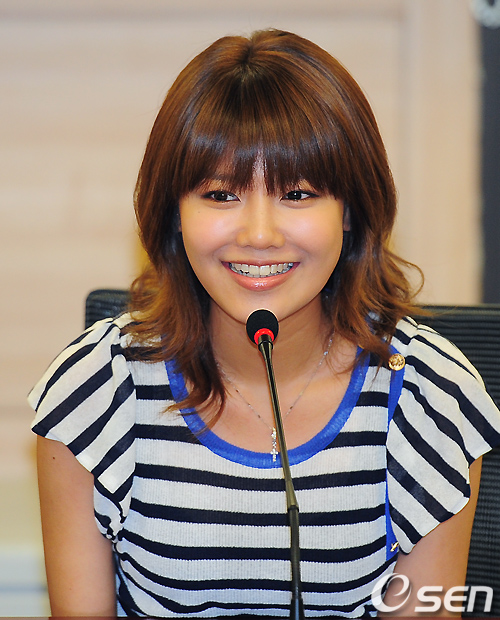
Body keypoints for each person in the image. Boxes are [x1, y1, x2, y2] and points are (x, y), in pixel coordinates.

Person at [29, 29, 500, 618]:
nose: (258, 234)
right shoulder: (94, 390)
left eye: (297, 194)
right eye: (220, 194)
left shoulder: (430, 395)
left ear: (350, 210)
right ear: (175, 213)